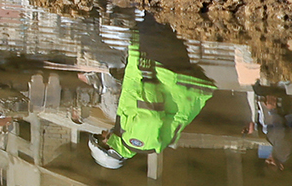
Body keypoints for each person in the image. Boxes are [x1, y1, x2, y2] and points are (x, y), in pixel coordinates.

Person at [88, 18, 216, 170]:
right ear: (111, 149)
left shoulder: (125, 133)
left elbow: (136, 99)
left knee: (152, 22)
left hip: (164, 72)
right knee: (151, 20)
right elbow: (151, 116)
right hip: (164, 73)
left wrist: (126, 76)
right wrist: (148, 77)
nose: (103, 132)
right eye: (101, 138)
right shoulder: (136, 140)